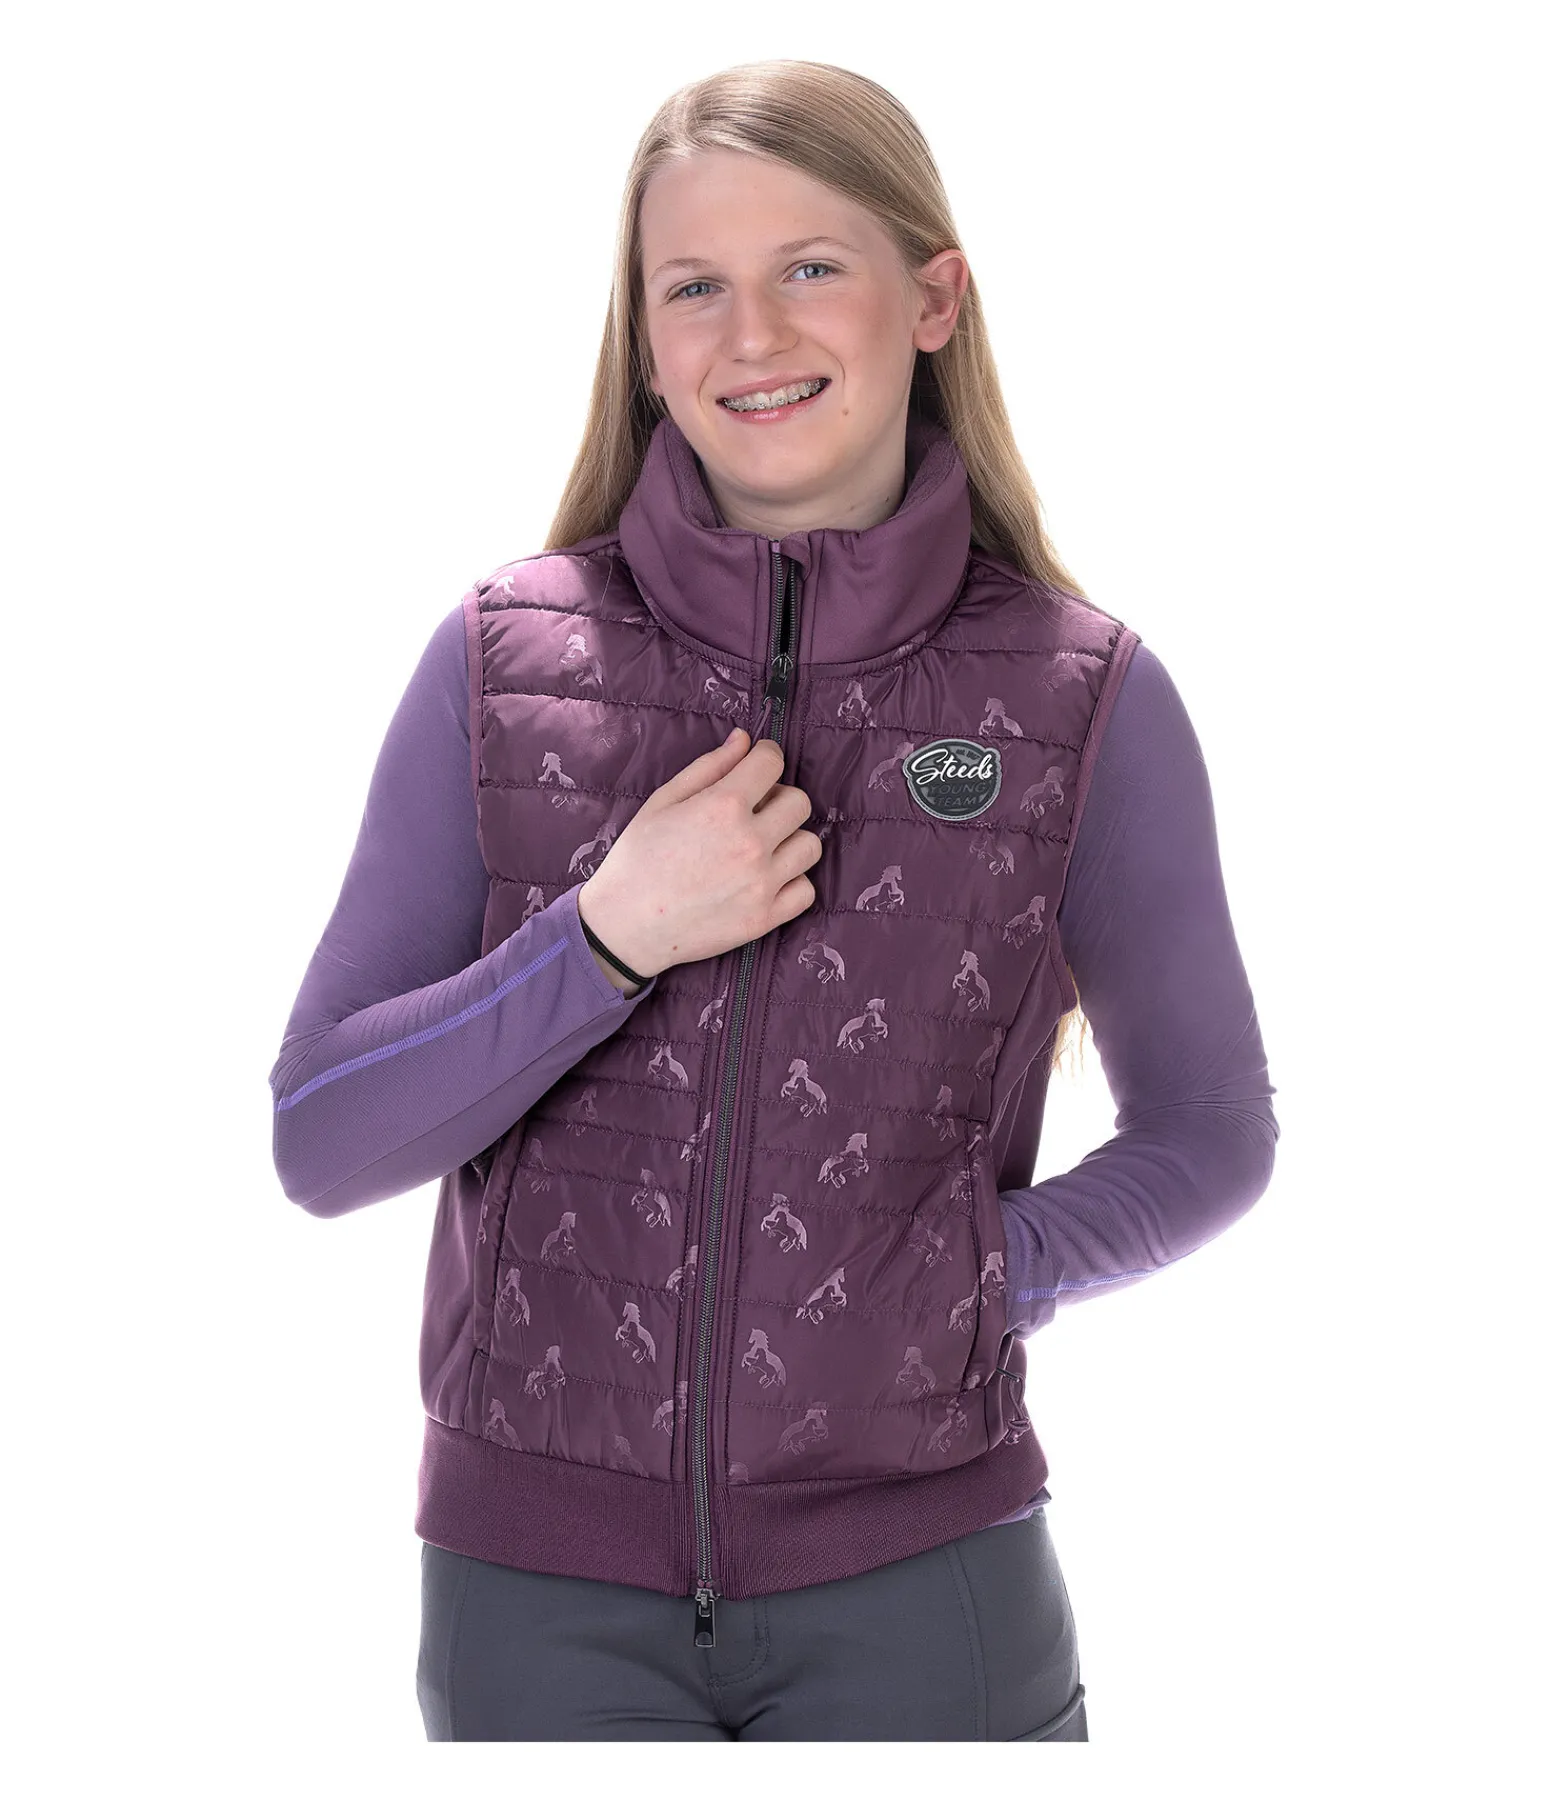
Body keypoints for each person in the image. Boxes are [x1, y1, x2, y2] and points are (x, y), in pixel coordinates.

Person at [268, 58, 1279, 1741]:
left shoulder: (1077, 695)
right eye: (693, 287)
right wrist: (605, 939)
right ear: (644, 341)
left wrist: (972, 1279)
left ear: (932, 300)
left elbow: (1210, 1131)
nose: (752, 335)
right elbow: (322, 1140)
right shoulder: (502, 662)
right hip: (534, 1601)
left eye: (810, 266)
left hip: (928, 1592)